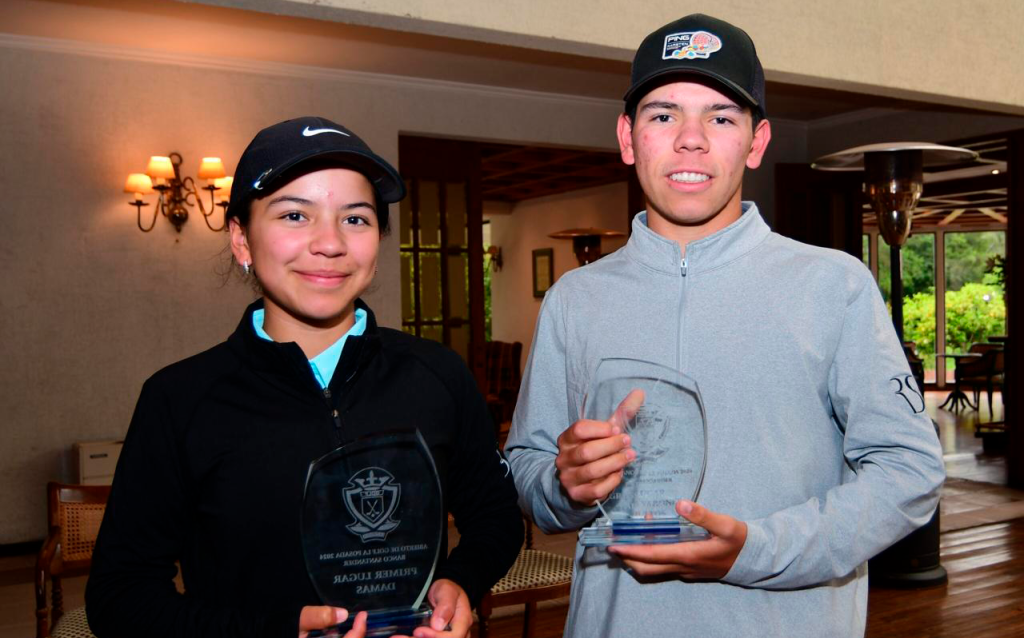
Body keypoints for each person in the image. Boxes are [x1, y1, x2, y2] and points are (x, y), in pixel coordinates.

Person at [505, 14, 945, 638]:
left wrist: (757, 550)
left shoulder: (835, 285)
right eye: (663, 115)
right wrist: (563, 481)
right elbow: (528, 464)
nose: (691, 139)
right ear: (628, 139)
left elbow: (909, 473)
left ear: (757, 141)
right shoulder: (574, 299)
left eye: (720, 116)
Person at [86, 116, 523, 638]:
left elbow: (497, 518)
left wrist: (461, 581)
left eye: (355, 219)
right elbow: (121, 598)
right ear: (242, 240)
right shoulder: (179, 399)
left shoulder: (437, 374)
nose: (330, 243)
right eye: (295, 215)